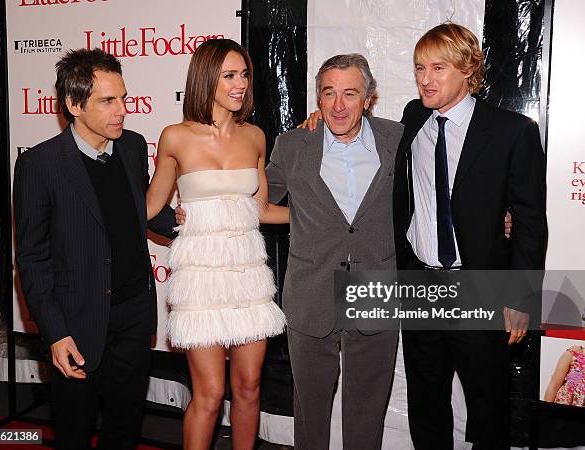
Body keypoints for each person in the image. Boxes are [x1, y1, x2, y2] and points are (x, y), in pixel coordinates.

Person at [393, 23, 547, 449]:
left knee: (488, 407)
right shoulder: (413, 117)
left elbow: (531, 222)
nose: (426, 79)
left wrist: (521, 297)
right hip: (421, 284)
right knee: (426, 406)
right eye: (420, 68)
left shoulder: (511, 131)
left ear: (468, 68)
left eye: (438, 68)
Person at [13, 48, 177, 449]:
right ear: (73, 104)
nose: (122, 109)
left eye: (123, 97)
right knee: (74, 428)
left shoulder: (133, 146)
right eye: (108, 101)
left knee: (125, 425)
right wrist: (54, 333)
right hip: (79, 319)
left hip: (136, 312)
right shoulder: (41, 164)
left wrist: (196, 221)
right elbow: (32, 258)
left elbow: (142, 211)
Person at [146, 38, 287, 450]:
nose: (240, 83)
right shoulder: (176, 137)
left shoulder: (255, 137)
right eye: (229, 75)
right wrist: (172, 219)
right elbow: (149, 206)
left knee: (249, 386)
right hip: (200, 280)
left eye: (244, 74)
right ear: (206, 79)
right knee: (208, 394)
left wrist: (319, 218)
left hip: (247, 273)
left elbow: (261, 210)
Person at [265, 53, 402, 449]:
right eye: (329, 94)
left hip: (376, 288)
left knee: (367, 410)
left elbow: (436, 192)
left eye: (350, 94)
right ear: (318, 99)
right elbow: (256, 203)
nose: (339, 105)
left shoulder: (397, 139)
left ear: (368, 98)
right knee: (309, 410)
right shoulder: (292, 145)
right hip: (311, 291)